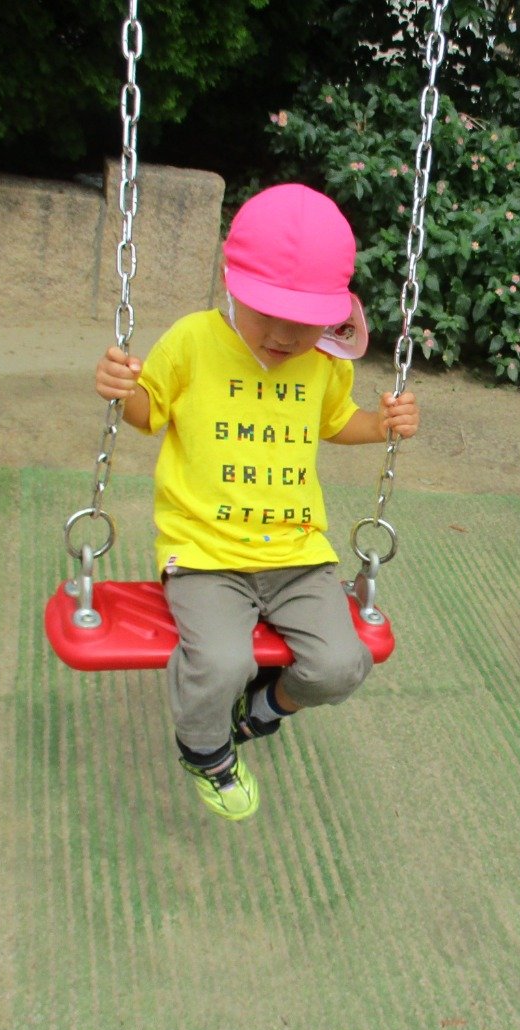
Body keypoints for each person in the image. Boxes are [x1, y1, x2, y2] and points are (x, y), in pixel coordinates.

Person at [94, 183, 420, 822]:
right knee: (221, 662)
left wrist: (382, 425)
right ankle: (204, 749)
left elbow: (336, 422)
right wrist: (121, 391)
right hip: (205, 553)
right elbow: (147, 413)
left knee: (341, 666)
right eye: (267, 311)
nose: (284, 334)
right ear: (232, 286)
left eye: (305, 318)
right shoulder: (192, 341)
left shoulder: (324, 361)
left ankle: (265, 709)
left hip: (298, 553)